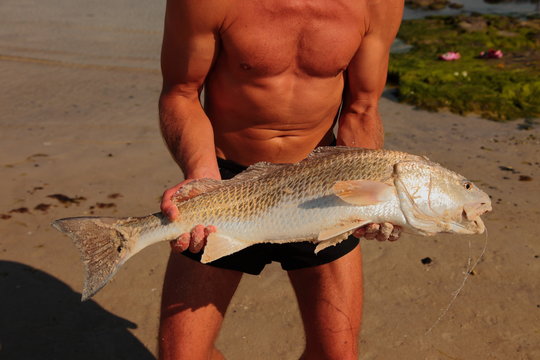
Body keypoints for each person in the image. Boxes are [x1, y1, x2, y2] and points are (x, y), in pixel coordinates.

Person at [158, 0, 404, 359]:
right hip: (227, 182)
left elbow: (362, 106)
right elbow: (180, 93)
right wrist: (202, 175)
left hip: (324, 186)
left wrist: (370, 193)